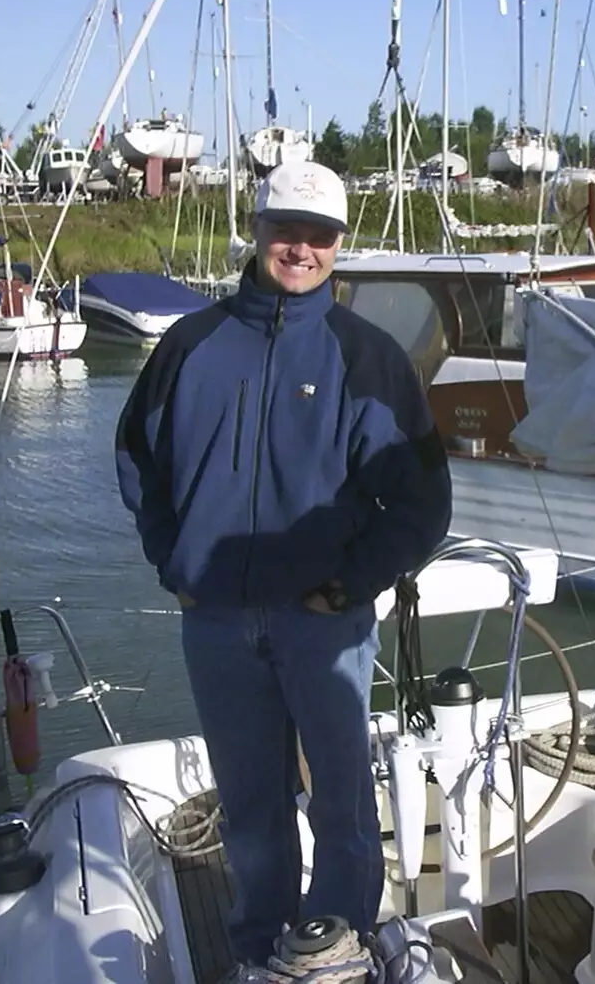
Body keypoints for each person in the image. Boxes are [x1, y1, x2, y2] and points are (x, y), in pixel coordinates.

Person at [114, 160, 453, 970]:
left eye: (320, 236)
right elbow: (137, 467)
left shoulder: (366, 357)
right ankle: (260, 952)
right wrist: (177, 565)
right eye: (286, 230)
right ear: (257, 230)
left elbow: (421, 504)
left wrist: (352, 581)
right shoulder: (190, 345)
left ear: (340, 246)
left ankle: (336, 951)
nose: (301, 249)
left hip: (325, 624)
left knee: (341, 806)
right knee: (251, 812)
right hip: (218, 627)